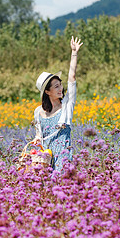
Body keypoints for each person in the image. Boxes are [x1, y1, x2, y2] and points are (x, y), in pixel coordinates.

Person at [32, 36, 83, 172]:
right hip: (45, 161)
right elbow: (39, 134)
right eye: (56, 87)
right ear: (47, 91)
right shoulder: (38, 112)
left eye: (60, 85)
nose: (60, 89)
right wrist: (37, 139)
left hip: (63, 159)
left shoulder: (66, 106)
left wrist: (74, 53)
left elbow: (72, 78)